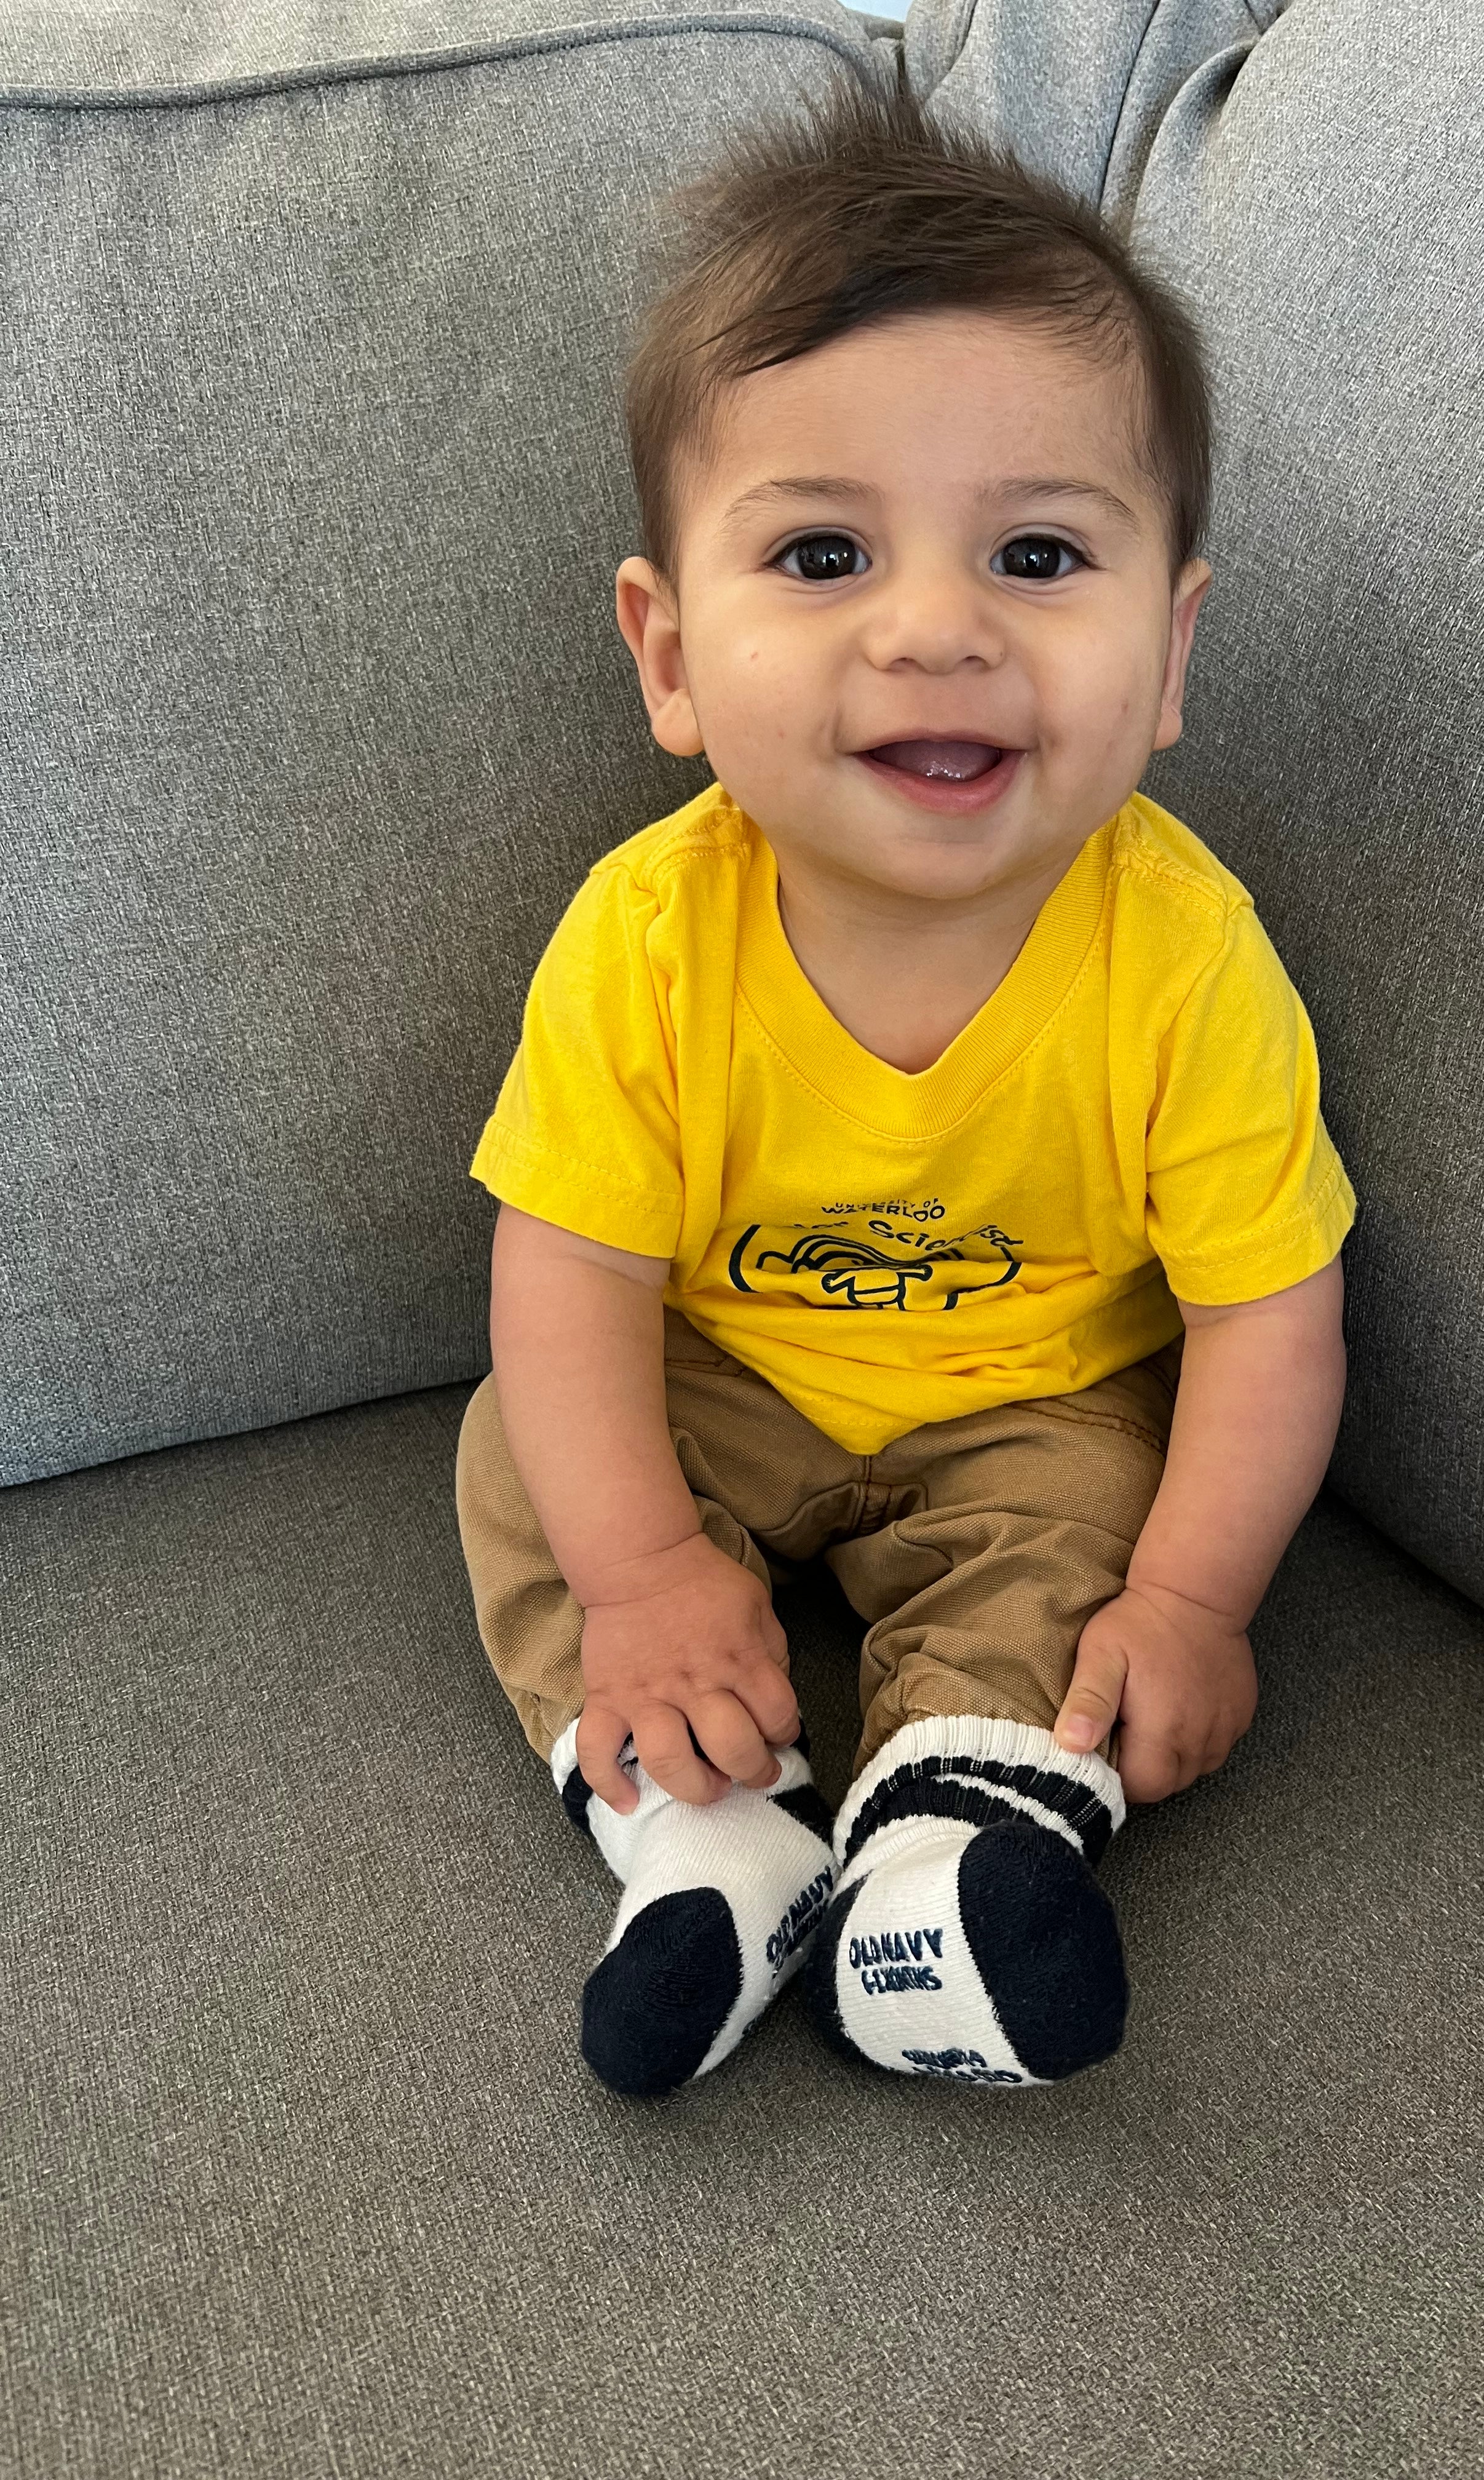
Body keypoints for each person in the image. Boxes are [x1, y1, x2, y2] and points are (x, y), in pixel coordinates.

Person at [454, 78, 1355, 2099]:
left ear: (1174, 649)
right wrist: (648, 1575)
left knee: (1091, 1533)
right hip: (716, 1375)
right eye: (827, 552)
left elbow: (1267, 1316)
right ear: (670, 655)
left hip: (1037, 1406)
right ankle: (696, 1826)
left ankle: (946, 1851)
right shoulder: (646, 941)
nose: (939, 629)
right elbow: (569, 1277)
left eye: (1040, 553)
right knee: (531, 1450)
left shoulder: (1189, 958)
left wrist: (1201, 1598)